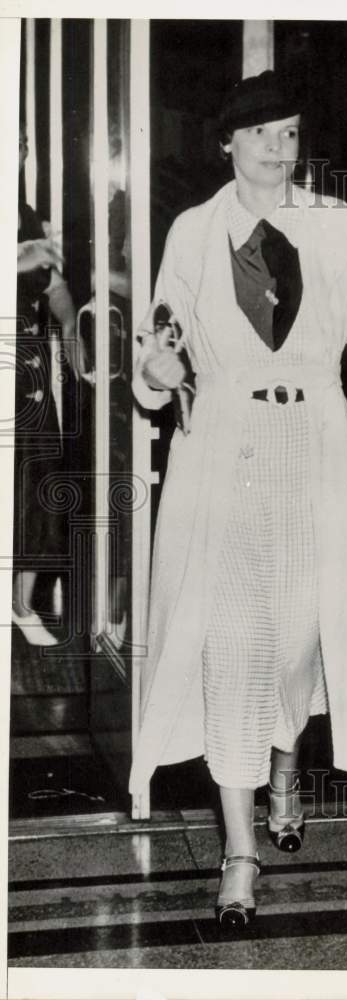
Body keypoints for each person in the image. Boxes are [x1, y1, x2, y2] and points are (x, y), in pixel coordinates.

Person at [127, 71, 347, 930]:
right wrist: (155, 373)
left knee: (301, 636)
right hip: (224, 449)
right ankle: (239, 852)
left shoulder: (334, 226)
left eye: (290, 133)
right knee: (233, 641)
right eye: (262, 132)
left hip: (315, 445)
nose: (278, 146)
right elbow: (161, 337)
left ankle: (285, 762)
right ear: (227, 143)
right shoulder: (195, 231)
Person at [13, 123, 89, 646]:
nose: (15, 152)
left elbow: (55, 285)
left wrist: (67, 323)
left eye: (20, 143)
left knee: (40, 479)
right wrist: (20, 259)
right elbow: (29, 265)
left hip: (30, 367)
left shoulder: (23, 212)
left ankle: (21, 604)